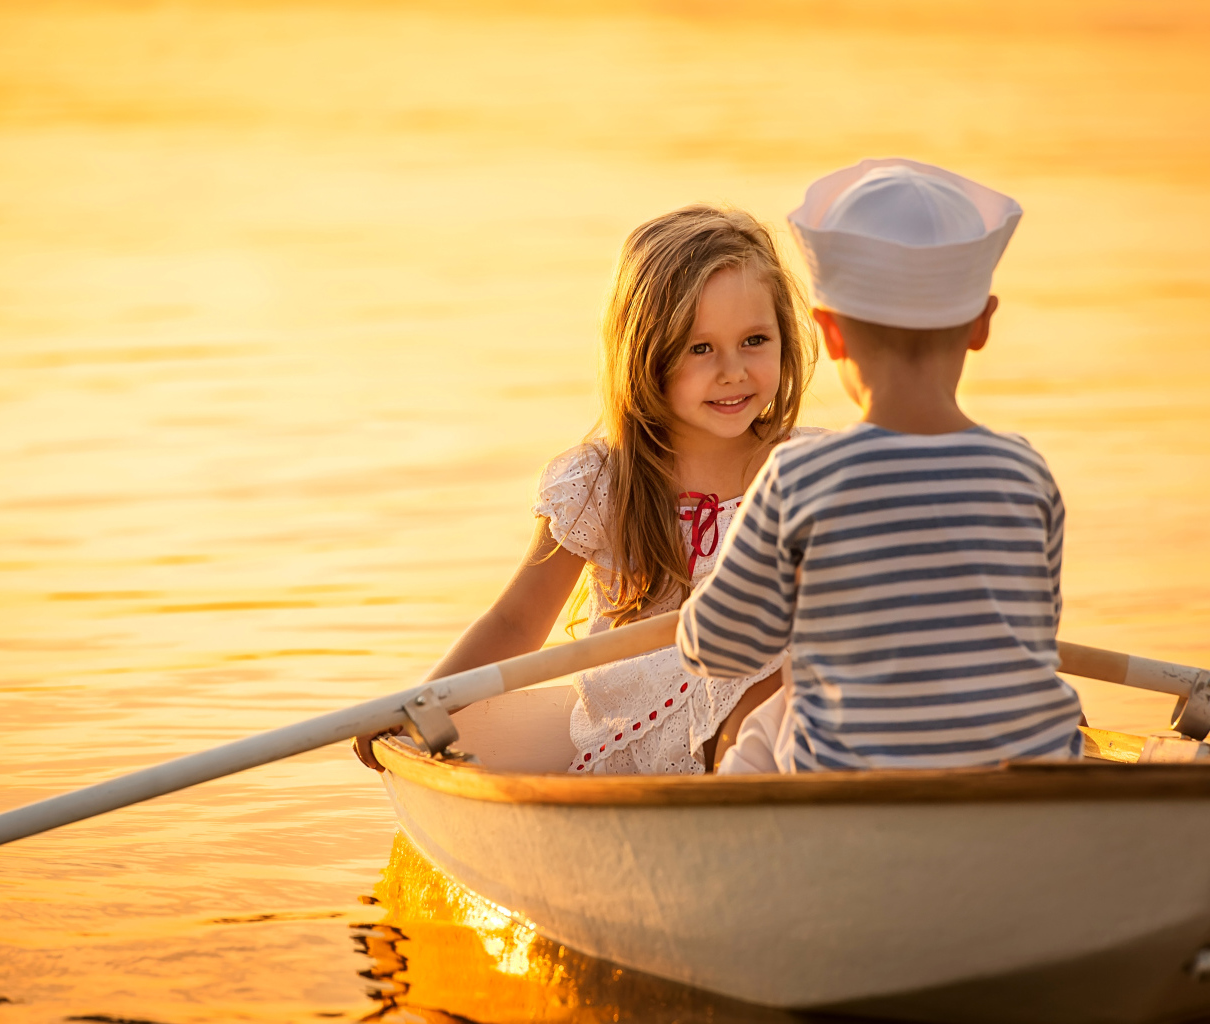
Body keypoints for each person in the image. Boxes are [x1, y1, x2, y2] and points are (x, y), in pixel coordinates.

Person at [357, 204, 818, 774]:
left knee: (815, 665)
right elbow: (516, 622)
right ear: (645, 355)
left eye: (754, 340)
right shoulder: (604, 483)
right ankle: (752, 812)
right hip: (653, 720)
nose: (733, 371)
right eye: (700, 348)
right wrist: (420, 703)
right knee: (775, 683)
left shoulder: (810, 468)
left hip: (785, 706)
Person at [677, 158, 1083, 773]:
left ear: (829, 333)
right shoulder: (1025, 474)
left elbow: (718, 647)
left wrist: (712, 618)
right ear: (982, 323)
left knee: (762, 733)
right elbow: (1034, 631)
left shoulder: (799, 478)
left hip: (852, 792)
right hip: (1026, 786)